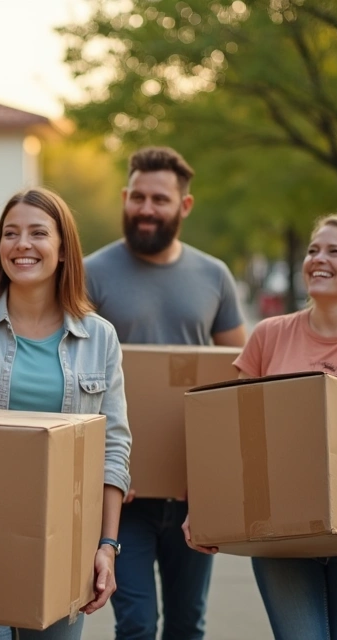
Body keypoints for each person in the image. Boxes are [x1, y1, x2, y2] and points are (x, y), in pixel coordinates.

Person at [185, 214, 337, 640]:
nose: (318, 259)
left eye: (334, 251)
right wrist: (209, 510)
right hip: (284, 540)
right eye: (313, 250)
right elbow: (240, 441)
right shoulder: (269, 337)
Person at [0, 188, 131, 640]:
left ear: (63, 248)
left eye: (37, 233)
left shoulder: (99, 337)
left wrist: (106, 546)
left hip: (63, 540)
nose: (21, 244)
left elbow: (114, 446)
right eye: (10, 233)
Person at [83, 146, 246, 640]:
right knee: (135, 624)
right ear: (124, 198)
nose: (146, 208)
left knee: (186, 625)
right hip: (123, 492)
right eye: (137, 197)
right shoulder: (91, 273)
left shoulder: (214, 275)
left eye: (159, 198)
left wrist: (219, 477)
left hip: (195, 491)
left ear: (184, 206)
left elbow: (241, 378)